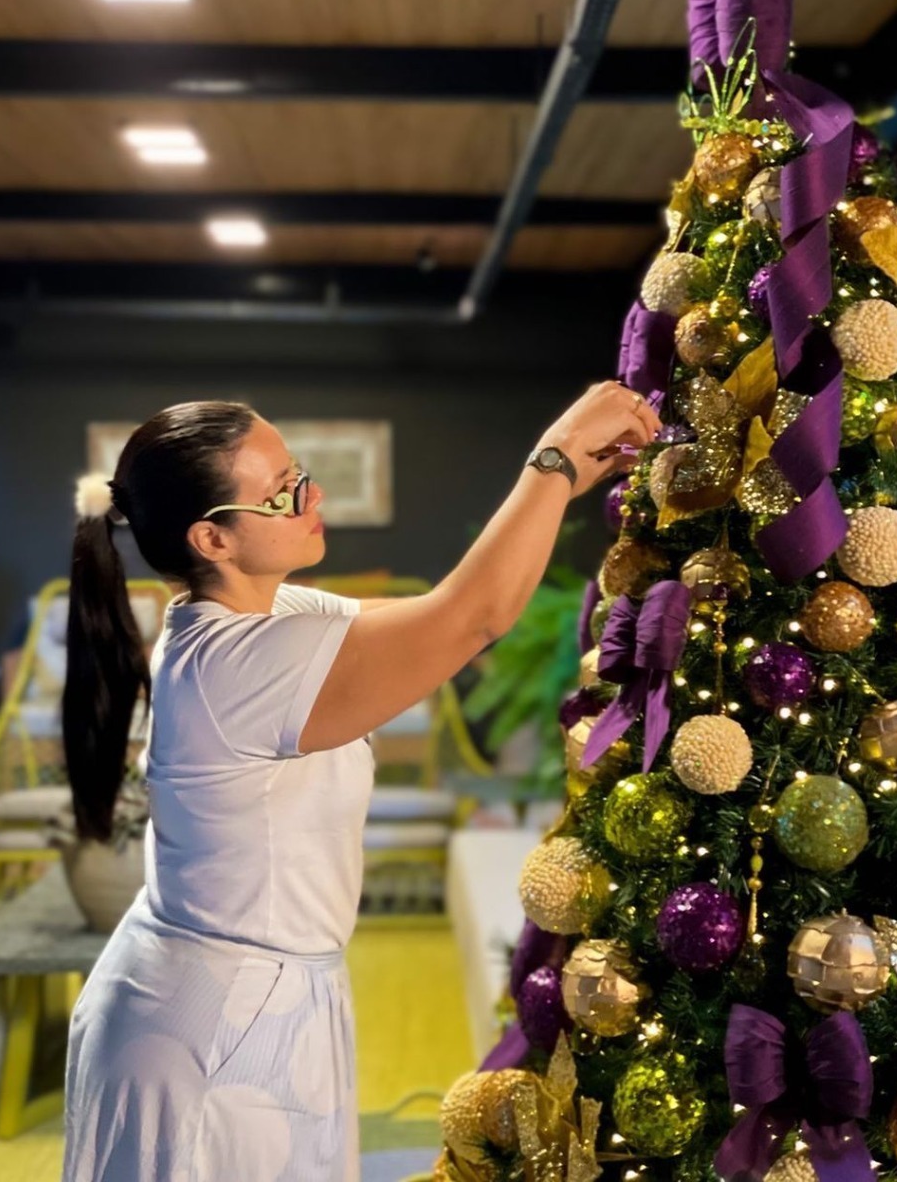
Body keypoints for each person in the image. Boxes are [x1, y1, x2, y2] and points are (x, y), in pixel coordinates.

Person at [59, 382, 659, 1182]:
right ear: (213, 539)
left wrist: (562, 484)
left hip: (249, 997)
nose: (314, 498)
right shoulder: (239, 665)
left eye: (300, 473)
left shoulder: (266, 616)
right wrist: (550, 459)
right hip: (210, 1034)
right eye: (282, 494)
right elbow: (471, 619)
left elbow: (437, 617)